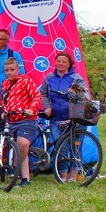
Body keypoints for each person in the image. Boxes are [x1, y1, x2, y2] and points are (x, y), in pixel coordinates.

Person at [39, 51, 89, 181]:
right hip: (57, 118)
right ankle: (63, 175)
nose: (60, 63)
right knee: (60, 147)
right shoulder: (49, 78)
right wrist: (47, 106)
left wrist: (74, 93)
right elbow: (43, 93)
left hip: (75, 118)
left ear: (69, 64)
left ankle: (74, 175)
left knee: (75, 147)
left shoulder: (76, 78)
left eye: (64, 61)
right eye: (58, 61)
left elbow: (85, 97)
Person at [0, 57, 42, 188]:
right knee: (16, 146)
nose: (9, 72)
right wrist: (4, 110)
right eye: (6, 70)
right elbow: (3, 100)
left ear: (18, 69)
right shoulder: (5, 84)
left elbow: (36, 96)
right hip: (11, 119)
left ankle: (16, 167)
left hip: (27, 119)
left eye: (12, 70)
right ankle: (25, 179)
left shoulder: (26, 81)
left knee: (22, 145)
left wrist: (31, 109)